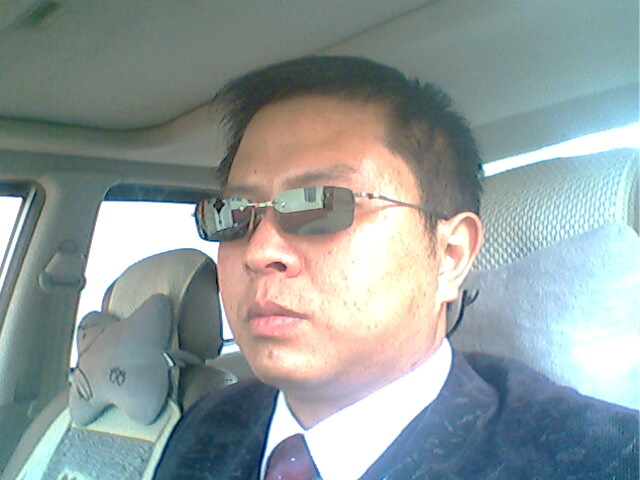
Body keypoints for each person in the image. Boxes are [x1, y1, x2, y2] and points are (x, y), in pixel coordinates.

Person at [154, 56, 638, 479]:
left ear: (450, 256)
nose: (259, 251)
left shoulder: (600, 458)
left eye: (320, 204)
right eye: (234, 214)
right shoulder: (203, 425)